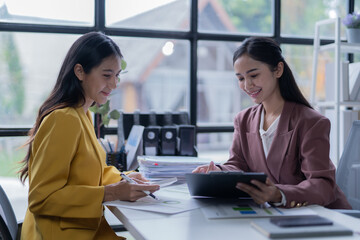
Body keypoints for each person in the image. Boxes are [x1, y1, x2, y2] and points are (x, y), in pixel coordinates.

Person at [18, 32, 160, 239]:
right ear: (80, 72)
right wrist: (112, 192)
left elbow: (88, 170)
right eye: (106, 75)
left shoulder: (81, 113)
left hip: (82, 230)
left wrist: (126, 179)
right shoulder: (64, 119)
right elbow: (42, 198)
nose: (114, 84)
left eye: (117, 75)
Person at [193, 37, 351, 209]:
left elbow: (322, 185)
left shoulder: (311, 122)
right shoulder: (243, 120)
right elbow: (238, 164)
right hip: (275, 214)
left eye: (254, 75)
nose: (247, 85)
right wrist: (220, 172)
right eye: (240, 78)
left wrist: (280, 194)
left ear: (278, 70)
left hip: (321, 216)